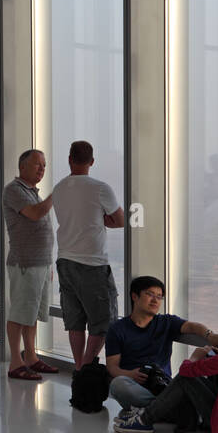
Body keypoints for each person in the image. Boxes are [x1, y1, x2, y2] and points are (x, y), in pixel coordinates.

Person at [115, 304, 218, 433]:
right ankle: (159, 415)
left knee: (186, 379)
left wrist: (195, 356)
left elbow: (186, 371)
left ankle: (144, 420)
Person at [105, 275, 218, 431]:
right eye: (150, 294)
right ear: (134, 296)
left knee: (186, 383)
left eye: (159, 297)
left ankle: (159, 411)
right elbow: (112, 367)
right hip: (136, 386)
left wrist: (209, 336)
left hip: (163, 386)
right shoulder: (117, 329)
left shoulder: (166, 322)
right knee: (118, 385)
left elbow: (192, 327)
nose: (155, 300)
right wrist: (131, 374)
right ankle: (169, 410)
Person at [50, 141, 124, 369]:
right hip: (92, 263)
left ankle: (79, 367)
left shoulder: (59, 188)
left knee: (75, 321)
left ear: (70, 159)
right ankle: (87, 367)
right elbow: (120, 220)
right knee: (103, 321)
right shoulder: (100, 188)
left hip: (65, 260)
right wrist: (99, 218)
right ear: (92, 162)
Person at [1, 150, 60, 380]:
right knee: (19, 313)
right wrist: (55, 196)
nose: (42, 169)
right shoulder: (14, 190)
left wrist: (48, 265)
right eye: (37, 164)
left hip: (41, 264)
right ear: (22, 166)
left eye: (44, 165)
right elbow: (35, 214)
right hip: (25, 264)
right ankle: (16, 362)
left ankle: (31, 357)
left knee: (32, 313)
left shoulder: (34, 193)